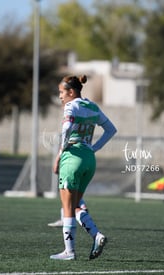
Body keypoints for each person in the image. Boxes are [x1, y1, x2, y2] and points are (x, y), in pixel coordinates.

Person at [50, 75, 117, 261]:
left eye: (61, 93)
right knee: (76, 205)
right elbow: (111, 129)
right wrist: (95, 147)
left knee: (67, 207)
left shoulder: (71, 106)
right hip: (89, 159)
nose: (60, 97)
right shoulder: (93, 106)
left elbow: (66, 129)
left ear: (71, 92)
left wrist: (62, 150)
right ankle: (96, 236)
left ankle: (69, 251)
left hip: (73, 157)